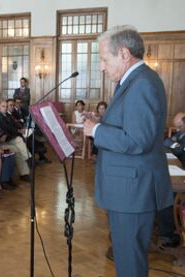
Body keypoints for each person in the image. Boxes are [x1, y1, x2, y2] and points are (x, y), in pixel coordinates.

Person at [83, 26, 173, 277]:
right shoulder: (136, 80)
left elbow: (138, 139)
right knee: (127, 260)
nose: (102, 66)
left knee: (129, 264)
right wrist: (102, 121)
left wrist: (98, 131)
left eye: (104, 59)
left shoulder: (142, 83)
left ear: (123, 54)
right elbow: (131, 125)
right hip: (129, 189)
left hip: (132, 192)